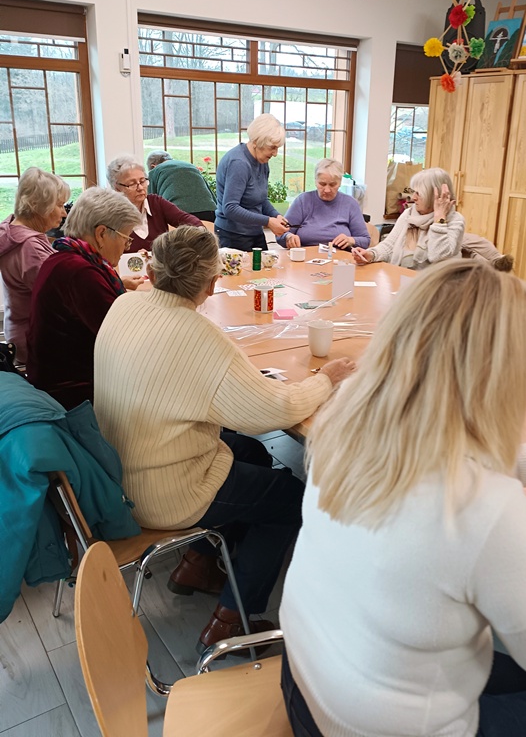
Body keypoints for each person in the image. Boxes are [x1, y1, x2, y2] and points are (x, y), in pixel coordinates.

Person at [280, 259, 526, 737]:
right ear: (496, 377)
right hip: (370, 728)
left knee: (516, 674)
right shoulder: (489, 509)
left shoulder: (346, 418)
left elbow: (437, 457)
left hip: (304, 682)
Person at [93, 225, 355, 650]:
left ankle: (197, 563)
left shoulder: (124, 304)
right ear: (212, 283)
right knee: (291, 501)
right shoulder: (199, 335)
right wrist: (325, 379)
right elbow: (273, 411)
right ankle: (232, 620)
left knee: (250, 452)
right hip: (164, 491)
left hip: (117, 469)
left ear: (153, 272)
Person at [27, 188, 142, 410]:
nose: (125, 247)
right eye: (126, 239)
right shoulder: (80, 272)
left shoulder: (64, 258)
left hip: (60, 384)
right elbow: (124, 338)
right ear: (101, 234)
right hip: (74, 397)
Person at [0, 168, 70, 363]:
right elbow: (60, 299)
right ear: (37, 205)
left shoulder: (10, 230)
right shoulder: (30, 247)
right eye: (59, 205)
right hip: (35, 340)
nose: (64, 213)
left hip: (19, 332)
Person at [353, 166, 465, 269]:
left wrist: (439, 218)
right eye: (414, 192)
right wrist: (371, 254)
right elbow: (389, 245)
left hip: (434, 282)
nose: (413, 198)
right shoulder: (409, 213)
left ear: (434, 196)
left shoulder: (455, 220)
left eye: (419, 193)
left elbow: (437, 257)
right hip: (403, 276)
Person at [214, 113, 289, 251]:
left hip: (254, 233)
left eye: (277, 148)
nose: (275, 153)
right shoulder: (239, 163)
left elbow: (261, 200)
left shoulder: (262, 161)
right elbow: (230, 208)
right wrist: (268, 221)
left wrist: (276, 215)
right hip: (233, 236)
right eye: (272, 147)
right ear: (256, 142)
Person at [107, 155, 203, 253]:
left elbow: (186, 219)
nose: (140, 188)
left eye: (142, 181)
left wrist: (199, 231)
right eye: (132, 184)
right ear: (117, 188)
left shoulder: (156, 203)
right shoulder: (111, 215)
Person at [276, 158, 370, 250]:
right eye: (322, 184)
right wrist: (288, 237)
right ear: (315, 181)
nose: (327, 190)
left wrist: (351, 240)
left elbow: (365, 240)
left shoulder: (350, 204)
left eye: (333, 185)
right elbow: (280, 234)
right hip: (306, 256)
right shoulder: (303, 201)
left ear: (340, 182)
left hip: (339, 257)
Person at [147, 151, 217, 222]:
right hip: (209, 211)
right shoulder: (190, 166)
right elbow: (211, 194)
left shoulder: (155, 171)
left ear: (153, 166)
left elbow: (151, 203)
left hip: (178, 214)